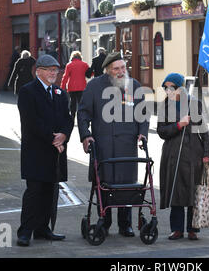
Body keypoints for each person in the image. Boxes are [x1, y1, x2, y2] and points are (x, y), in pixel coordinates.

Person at [77, 51, 149, 237]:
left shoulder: (134, 86)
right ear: (108, 70)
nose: (120, 72)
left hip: (127, 146)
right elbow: (83, 113)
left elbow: (143, 115)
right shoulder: (94, 86)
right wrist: (85, 136)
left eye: (123, 68)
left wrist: (142, 133)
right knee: (105, 184)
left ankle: (126, 224)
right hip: (104, 146)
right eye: (116, 69)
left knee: (127, 185)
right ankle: (104, 221)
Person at [16, 54, 74, 247]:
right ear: (38, 71)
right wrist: (53, 138)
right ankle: (25, 232)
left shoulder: (59, 92)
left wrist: (64, 135)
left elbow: (68, 118)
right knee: (34, 192)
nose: (54, 73)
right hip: (36, 151)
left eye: (56, 70)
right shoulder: (27, 92)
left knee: (50, 192)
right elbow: (31, 121)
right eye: (49, 69)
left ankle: (43, 229)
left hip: (55, 153)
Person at [157, 73, 209, 241]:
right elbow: (161, 131)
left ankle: (193, 229)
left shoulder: (193, 103)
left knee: (193, 193)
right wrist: (178, 125)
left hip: (193, 155)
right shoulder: (164, 106)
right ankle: (177, 229)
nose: (168, 90)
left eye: (171, 87)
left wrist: (207, 153)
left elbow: (204, 131)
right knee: (176, 193)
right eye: (166, 87)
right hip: (172, 156)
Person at [60, 51, 90, 123]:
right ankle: (81, 118)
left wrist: (62, 87)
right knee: (81, 103)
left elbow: (65, 76)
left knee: (72, 103)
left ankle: (72, 118)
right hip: (82, 86)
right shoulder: (84, 64)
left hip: (72, 87)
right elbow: (90, 73)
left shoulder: (69, 65)